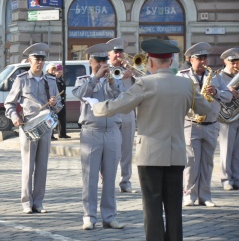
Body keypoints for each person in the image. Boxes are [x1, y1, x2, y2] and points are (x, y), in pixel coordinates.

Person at [90, 39, 212, 241]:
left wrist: (95, 106)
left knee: (152, 208)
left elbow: (117, 106)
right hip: (177, 154)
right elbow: (205, 109)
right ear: (171, 60)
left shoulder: (144, 84)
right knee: (174, 208)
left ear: (150, 61)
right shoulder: (186, 84)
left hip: (151, 155)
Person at [4, 42, 62, 214]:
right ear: (30, 60)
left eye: (42, 59)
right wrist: (14, 117)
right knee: (28, 165)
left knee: (42, 165)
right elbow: (9, 103)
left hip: (46, 125)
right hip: (28, 125)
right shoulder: (21, 80)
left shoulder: (50, 81)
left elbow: (59, 105)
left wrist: (54, 102)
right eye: (37, 59)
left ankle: (38, 201)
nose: (40, 62)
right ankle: (26, 201)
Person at [72, 43, 124, 230]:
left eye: (104, 60)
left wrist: (110, 82)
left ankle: (109, 216)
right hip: (91, 130)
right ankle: (89, 215)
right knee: (90, 177)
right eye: (98, 61)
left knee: (110, 177)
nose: (102, 64)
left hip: (112, 131)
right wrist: (95, 78)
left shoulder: (114, 79)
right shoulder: (83, 79)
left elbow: (120, 97)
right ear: (90, 61)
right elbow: (78, 94)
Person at [176, 42, 232, 207]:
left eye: (204, 58)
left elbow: (228, 96)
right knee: (191, 161)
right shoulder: (183, 76)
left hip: (211, 123)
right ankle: (189, 195)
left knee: (207, 162)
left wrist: (216, 92)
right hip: (191, 124)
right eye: (199, 58)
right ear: (190, 59)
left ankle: (205, 196)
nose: (203, 62)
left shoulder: (215, 76)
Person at [106, 37, 137, 193]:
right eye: (116, 53)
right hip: (112, 112)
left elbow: (145, 82)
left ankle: (125, 181)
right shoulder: (105, 68)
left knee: (127, 150)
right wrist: (122, 76)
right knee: (111, 150)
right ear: (109, 54)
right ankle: (108, 181)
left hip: (127, 112)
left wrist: (134, 71)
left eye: (121, 53)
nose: (119, 56)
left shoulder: (129, 68)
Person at [217, 48, 239, 191]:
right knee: (226, 149)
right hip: (226, 117)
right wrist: (227, 90)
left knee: (237, 150)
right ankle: (226, 178)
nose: (236, 65)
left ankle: (236, 177)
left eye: (238, 63)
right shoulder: (219, 77)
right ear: (226, 61)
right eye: (233, 63)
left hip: (238, 115)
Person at [54, 63, 70, 139]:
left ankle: (62, 133)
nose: (60, 73)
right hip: (55, 101)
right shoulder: (53, 79)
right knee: (53, 119)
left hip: (62, 101)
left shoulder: (61, 79)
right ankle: (51, 135)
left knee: (62, 118)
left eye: (61, 72)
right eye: (58, 72)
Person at [44, 62, 58, 141]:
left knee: (52, 120)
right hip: (45, 104)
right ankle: (49, 135)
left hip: (52, 104)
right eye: (52, 70)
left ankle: (51, 135)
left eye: (54, 70)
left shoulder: (54, 79)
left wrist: (55, 103)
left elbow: (56, 92)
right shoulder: (45, 78)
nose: (53, 71)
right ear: (47, 70)